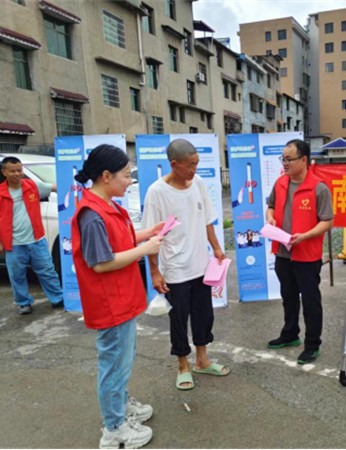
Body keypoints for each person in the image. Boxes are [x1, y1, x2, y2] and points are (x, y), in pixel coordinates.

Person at [71, 145, 164, 449]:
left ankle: (121, 406)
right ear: (106, 175)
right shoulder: (92, 215)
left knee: (121, 362)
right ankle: (114, 429)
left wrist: (148, 233)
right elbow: (101, 263)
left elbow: (119, 240)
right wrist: (145, 249)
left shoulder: (106, 205)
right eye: (125, 175)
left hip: (121, 299)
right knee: (113, 366)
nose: (129, 181)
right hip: (110, 304)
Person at [142, 138, 230, 391]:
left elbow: (207, 220)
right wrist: (155, 271)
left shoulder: (198, 183)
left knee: (204, 315)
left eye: (196, 164)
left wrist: (216, 248)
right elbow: (152, 236)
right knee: (179, 319)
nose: (194, 169)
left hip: (201, 265)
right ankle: (183, 365)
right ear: (174, 164)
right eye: (190, 165)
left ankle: (202, 360)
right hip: (175, 269)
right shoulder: (157, 192)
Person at [266, 139, 334, 364]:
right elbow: (271, 206)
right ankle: (290, 334)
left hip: (307, 255)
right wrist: (270, 217)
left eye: (289, 159)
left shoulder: (319, 188)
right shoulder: (280, 183)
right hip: (282, 252)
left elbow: (327, 221)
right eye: (283, 159)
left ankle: (312, 345)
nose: (284, 163)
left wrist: (304, 236)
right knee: (288, 296)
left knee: (311, 301)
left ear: (304, 160)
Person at [0, 156, 64, 315]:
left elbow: (56, 188)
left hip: (37, 240)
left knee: (47, 271)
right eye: (13, 171)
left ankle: (57, 298)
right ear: (4, 172)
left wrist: (79, 185)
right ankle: (24, 303)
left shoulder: (33, 186)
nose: (17, 174)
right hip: (13, 243)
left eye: (19, 170)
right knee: (17, 276)